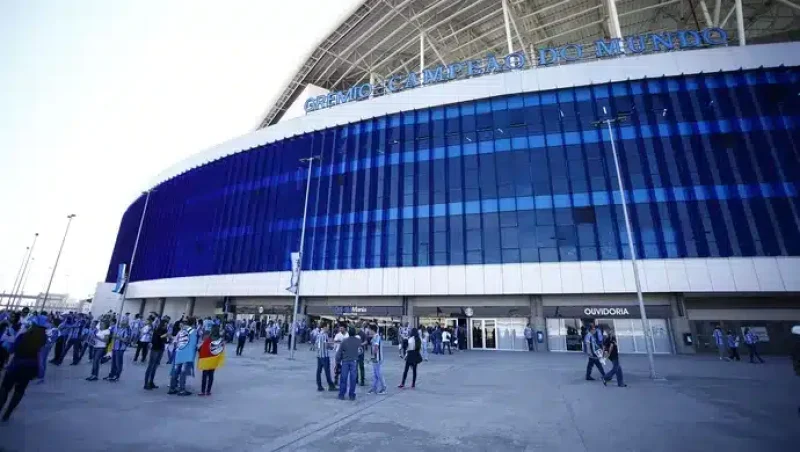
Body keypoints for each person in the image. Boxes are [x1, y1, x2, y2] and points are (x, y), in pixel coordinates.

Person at [0, 314, 46, 422]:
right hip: (30, 369)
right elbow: (42, 356)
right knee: (20, 390)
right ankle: (8, 413)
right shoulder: (43, 339)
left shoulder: (23, 335)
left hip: (16, 365)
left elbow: (11, 349)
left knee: (5, 388)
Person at [169, 317, 198, 396]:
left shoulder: (181, 330)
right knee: (183, 371)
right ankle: (182, 389)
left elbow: (175, 341)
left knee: (175, 370)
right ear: (193, 323)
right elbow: (193, 344)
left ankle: (172, 388)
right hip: (187, 353)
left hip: (179, 351)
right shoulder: (193, 331)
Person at [197, 325, 225, 396]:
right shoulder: (220, 339)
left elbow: (202, 349)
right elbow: (221, 349)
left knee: (204, 375)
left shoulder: (208, 339)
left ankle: (202, 391)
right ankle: (208, 391)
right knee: (211, 375)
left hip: (206, 360)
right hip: (214, 359)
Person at [336, 327, 361, 401]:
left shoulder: (344, 341)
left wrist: (337, 361)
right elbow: (360, 351)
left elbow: (339, 352)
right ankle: (352, 395)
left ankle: (341, 394)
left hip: (345, 361)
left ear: (349, 333)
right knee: (353, 379)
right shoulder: (358, 341)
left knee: (343, 378)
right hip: (354, 361)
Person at [144, 318, 169, 390]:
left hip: (160, 349)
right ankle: (146, 383)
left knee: (155, 366)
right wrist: (167, 335)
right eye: (165, 324)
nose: (166, 326)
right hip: (155, 349)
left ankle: (151, 382)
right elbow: (160, 337)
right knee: (151, 366)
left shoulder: (164, 330)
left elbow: (164, 340)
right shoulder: (158, 330)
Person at [105, 317, 132, 381]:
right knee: (113, 362)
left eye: (124, 321)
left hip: (120, 348)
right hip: (114, 347)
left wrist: (118, 337)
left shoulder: (127, 330)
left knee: (118, 363)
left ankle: (117, 375)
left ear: (127, 323)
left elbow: (126, 340)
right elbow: (112, 335)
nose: (122, 322)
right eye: (122, 320)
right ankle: (111, 374)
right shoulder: (117, 328)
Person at [315, 325, 336, 392]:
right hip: (325, 355)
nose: (328, 329)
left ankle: (319, 386)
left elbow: (316, 345)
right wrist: (332, 346)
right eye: (328, 328)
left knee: (319, 371)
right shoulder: (325, 335)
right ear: (324, 328)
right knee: (327, 371)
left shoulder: (318, 335)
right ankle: (331, 386)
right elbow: (326, 345)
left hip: (319, 355)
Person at [368, 324, 387, 395]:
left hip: (377, 358)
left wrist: (372, 356)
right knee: (376, 374)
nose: (369, 331)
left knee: (378, 373)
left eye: (369, 329)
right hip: (375, 358)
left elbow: (376, 347)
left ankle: (383, 388)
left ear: (372, 330)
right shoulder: (374, 337)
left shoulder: (377, 337)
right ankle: (374, 388)